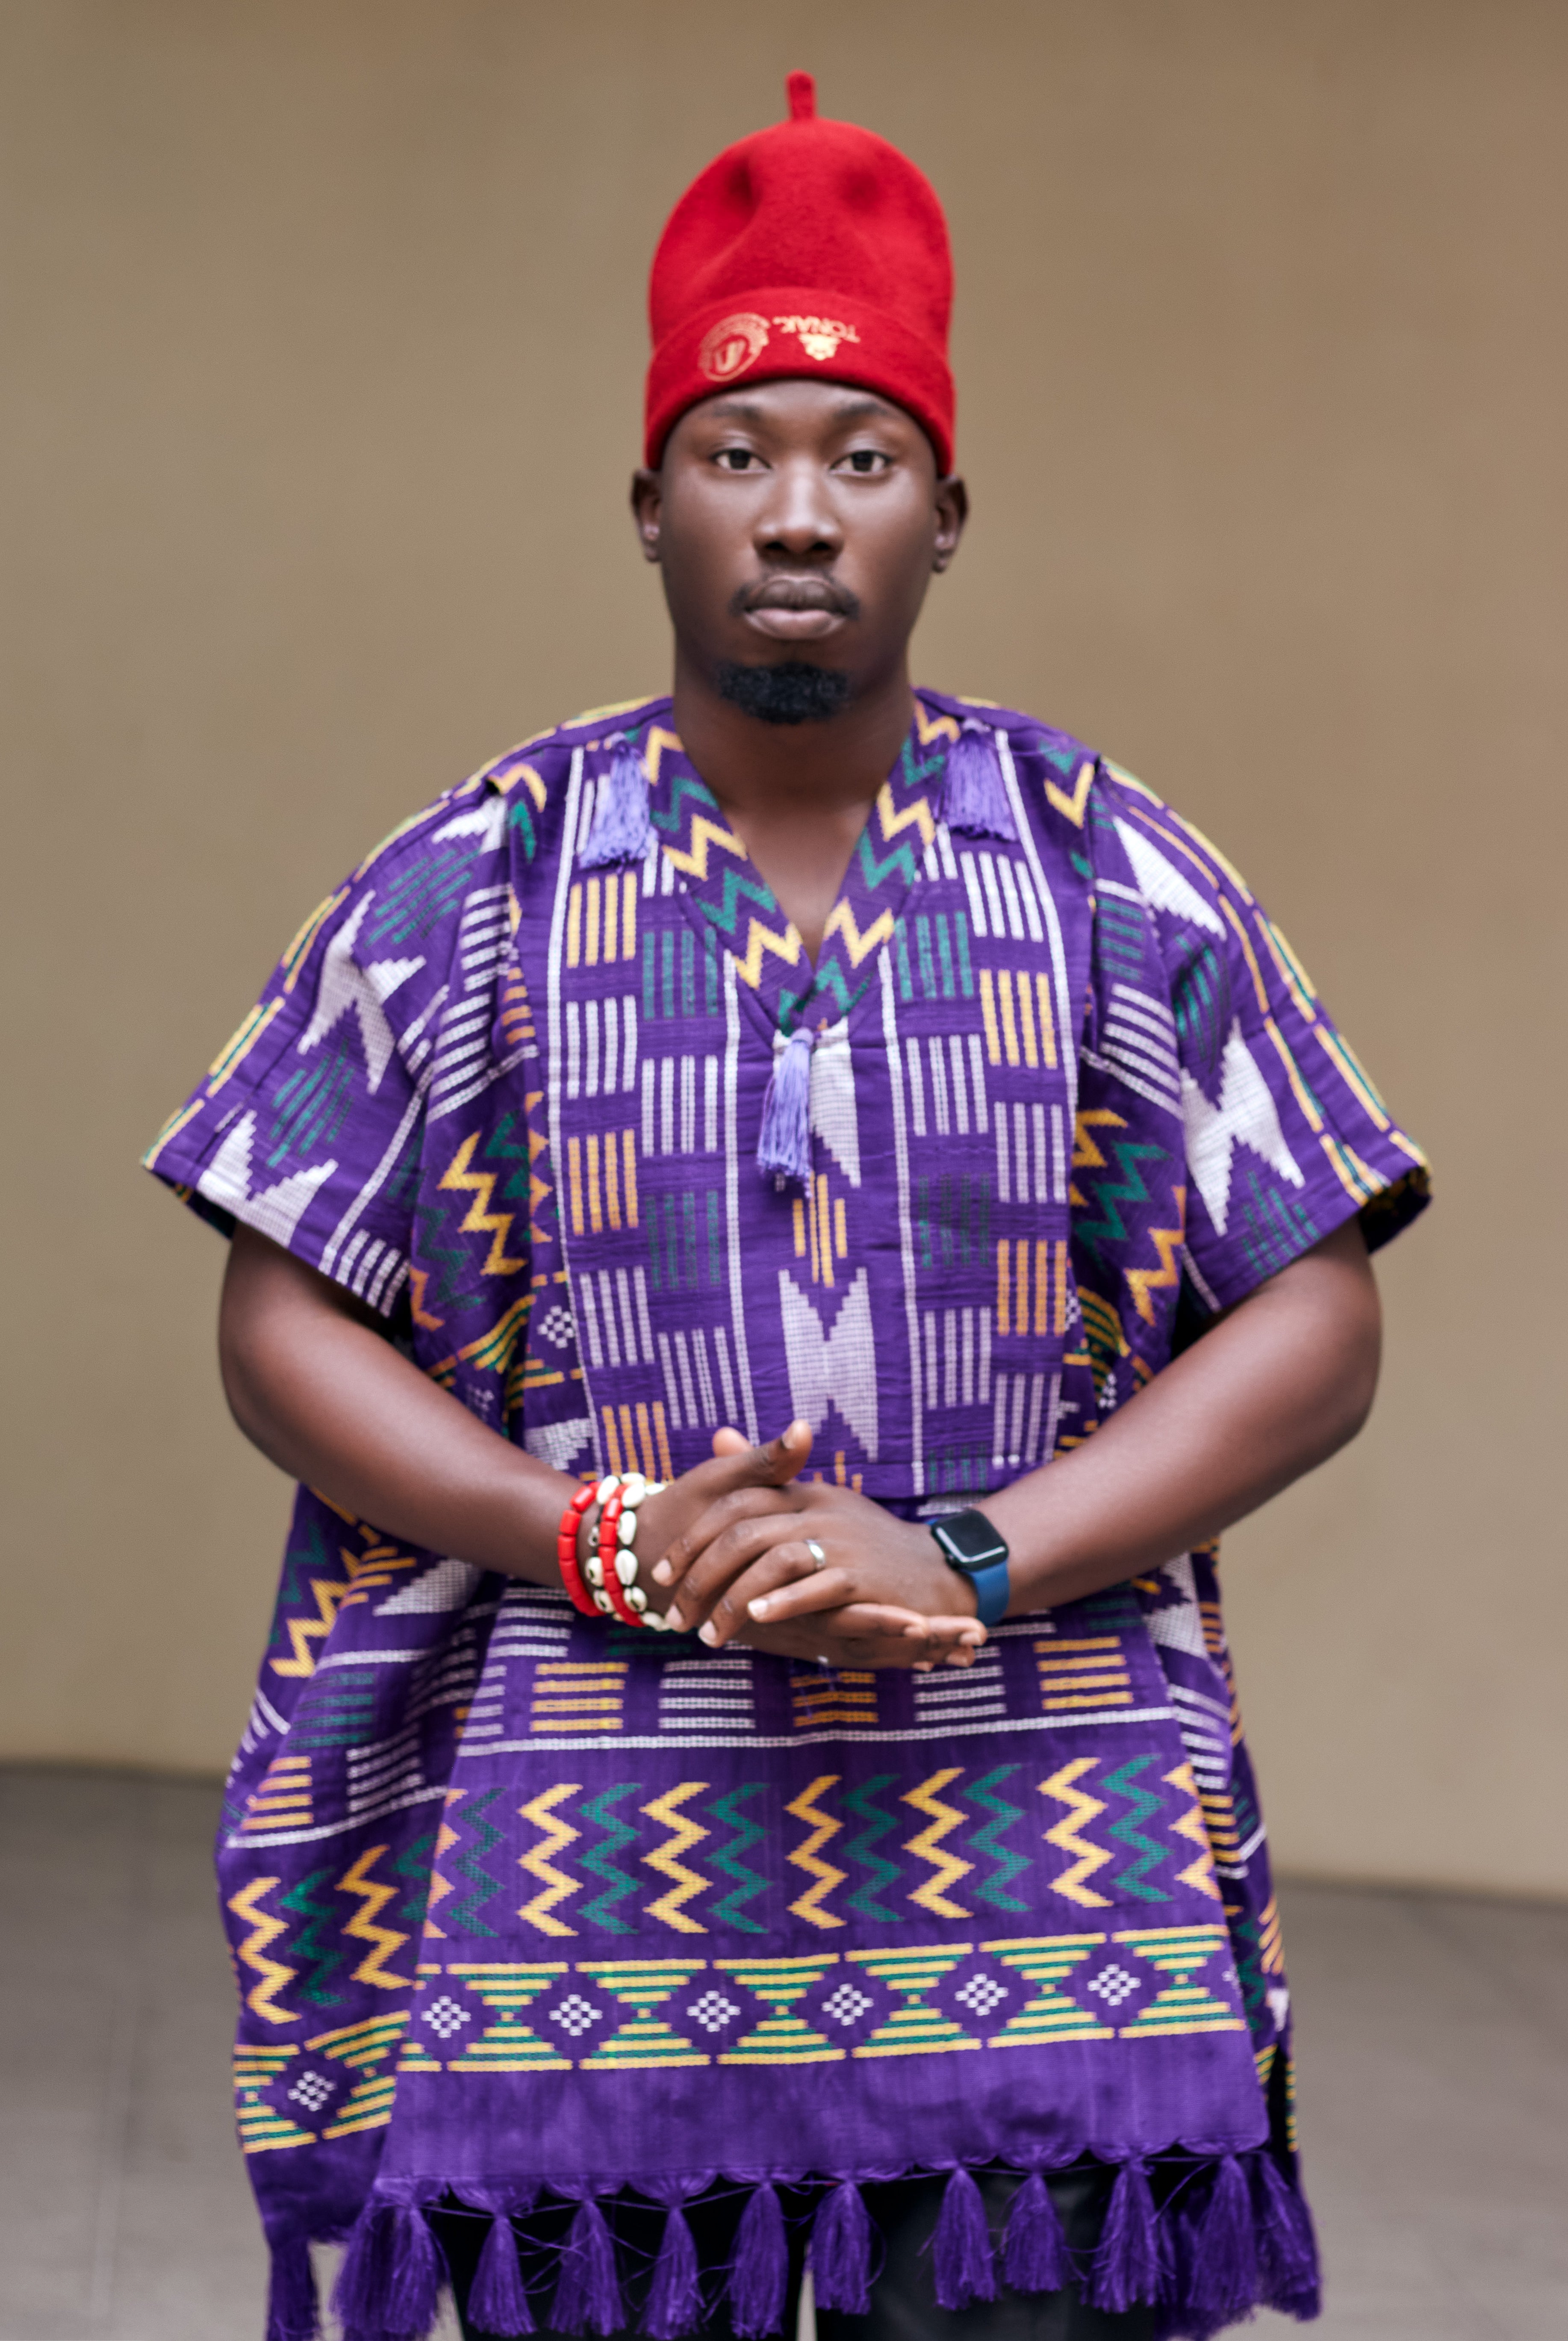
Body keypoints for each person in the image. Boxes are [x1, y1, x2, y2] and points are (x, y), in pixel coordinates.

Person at [145, 71, 1428, 2341]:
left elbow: (1314, 1306)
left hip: (1045, 1888)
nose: (801, 515)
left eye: (863, 455)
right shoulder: (480, 882)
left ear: (950, 508)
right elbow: (280, 1311)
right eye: (739, 456)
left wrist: (962, 1549)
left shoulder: (1103, 871)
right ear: (645, 504)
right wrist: (596, 1537)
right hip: (604, 1903)